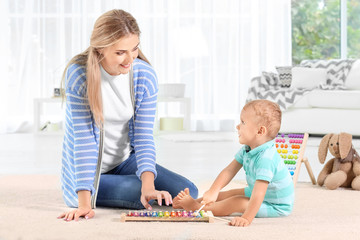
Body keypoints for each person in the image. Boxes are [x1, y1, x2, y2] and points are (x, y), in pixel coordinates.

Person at [57, 9, 198, 222]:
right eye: (120, 52)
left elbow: (143, 137)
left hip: (124, 162)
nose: (130, 58)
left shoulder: (144, 76)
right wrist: (84, 204)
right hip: (89, 174)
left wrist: (149, 187)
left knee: (187, 191)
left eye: (134, 48)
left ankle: (142, 187)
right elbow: (83, 141)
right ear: (100, 49)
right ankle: (89, 191)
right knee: (135, 190)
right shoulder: (79, 76)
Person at [173, 99, 294, 227]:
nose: (237, 126)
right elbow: (229, 171)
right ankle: (192, 202)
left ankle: (196, 208)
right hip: (256, 192)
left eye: (243, 122)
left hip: (275, 205)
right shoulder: (248, 148)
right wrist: (213, 191)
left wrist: (246, 218)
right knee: (228, 194)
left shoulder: (266, 159)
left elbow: (259, 194)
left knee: (237, 202)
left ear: (260, 131)